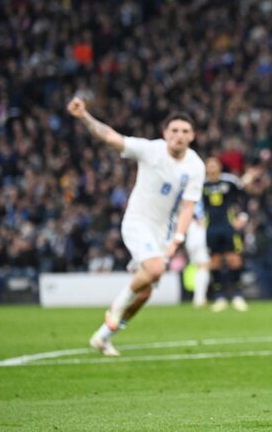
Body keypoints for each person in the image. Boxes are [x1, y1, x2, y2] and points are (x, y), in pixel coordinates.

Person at [66, 97, 205, 356]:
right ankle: (117, 307)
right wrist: (84, 116)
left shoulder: (196, 166)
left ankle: (104, 336)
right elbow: (110, 137)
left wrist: (177, 238)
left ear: (192, 136)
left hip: (164, 233)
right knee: (155, 268)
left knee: (145, 292)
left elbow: (189, 206)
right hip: (138, 221)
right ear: (165, 133)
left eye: (185, 131)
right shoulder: (150, 150)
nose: (179, 135)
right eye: (174, 130)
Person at [202, 157, 249, 312]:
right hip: (211, 228)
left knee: (233, 259)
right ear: (206, 168)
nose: (212, 167)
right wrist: (197, 219)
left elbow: (244, 197)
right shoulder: (201, 185)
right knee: (215, 261)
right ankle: (219, 297)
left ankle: (237, 296)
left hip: (228, 226)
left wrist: (242, 216)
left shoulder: (230, 181)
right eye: (209, 165)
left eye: (214, 164)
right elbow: (192, 203)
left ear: (220, 167)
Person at [187, 201, 212, 308]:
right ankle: (199, 298)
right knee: (203, 266)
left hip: (191, 231)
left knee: (200, 266)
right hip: (199, 231)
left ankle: (199, 297)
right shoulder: (198, 196)